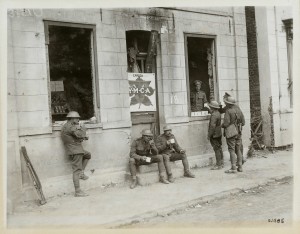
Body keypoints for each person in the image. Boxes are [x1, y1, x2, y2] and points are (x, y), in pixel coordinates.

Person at [61, 111, 91, 197]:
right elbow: (80, 134)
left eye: (78, 118)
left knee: (88, 155)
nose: (78, 120)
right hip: (75, 150)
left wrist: (82, 136)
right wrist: (83, 128)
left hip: (76, 148)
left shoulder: (67, 126)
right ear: (71, 119)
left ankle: (81, 173)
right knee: (76, 170)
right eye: (76, 118)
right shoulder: (71, 127)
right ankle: (78, 191)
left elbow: (77, 136)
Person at [219, 92, 246, 164]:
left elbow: (226, 123)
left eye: (225, 100)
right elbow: (243, 122)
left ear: (227, 101)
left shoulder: (228, 109)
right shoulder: (237, 108)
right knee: (238, 147)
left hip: (231, 131)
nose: (224, 101)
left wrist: (222, 125)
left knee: (231, 149)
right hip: (239, 130)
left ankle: (234, 166)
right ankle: (240, 162)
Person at [207, 101, 224, 170]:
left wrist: (209, 135)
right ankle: (221, 163)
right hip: (218, 133)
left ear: (212, 107)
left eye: (210, 107)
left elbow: (212, 126)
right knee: (219, 148)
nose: (210, 108)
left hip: (214, 134)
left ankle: (218, 165)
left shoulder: (214, 115)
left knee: (216, 149)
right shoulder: (218, 113)